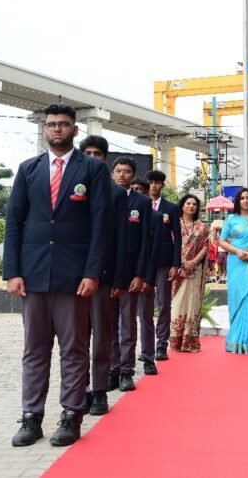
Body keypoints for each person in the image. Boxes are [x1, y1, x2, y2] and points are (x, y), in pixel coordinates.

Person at [4, 104, 113, 448]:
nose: (56, 129)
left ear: (74, 130)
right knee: (34, 350)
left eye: (63, 124)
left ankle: (71, 415)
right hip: (33, 275)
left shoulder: (92, 169)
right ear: (45, 129)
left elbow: (101, 225)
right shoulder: (28, 169)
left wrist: (93, 272)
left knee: (74, 349)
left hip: (74, 276)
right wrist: (12, 272)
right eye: (51, 124)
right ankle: (31, 417)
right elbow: (14, 221)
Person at [79, 136, 131, 416]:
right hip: (71, 276)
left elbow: (122, 239)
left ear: (105, 159)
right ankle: (80, 390)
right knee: (75, 339)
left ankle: (99, 390)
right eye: (87, 153)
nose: (92, 158)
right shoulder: (69, 186)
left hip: (104, 276)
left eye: (98, 154)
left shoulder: (116, 194)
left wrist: (120, 279)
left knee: (101, 336)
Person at [107, 155, 152, 397]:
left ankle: (126, 371)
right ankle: (112, 370)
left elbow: (145, 242)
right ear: (112, 173)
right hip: (107, 272)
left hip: (131, 273)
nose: (122, 175)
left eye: (126, 171)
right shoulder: (103, 197)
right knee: (108, 324)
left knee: (127, 324)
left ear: (133, 176)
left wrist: (140, 274)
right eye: (118, 171)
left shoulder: (141, 202)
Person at [138, 169, 181, 370]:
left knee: (164, 304)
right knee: (144, 308)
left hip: (164, 262)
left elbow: (177, 238)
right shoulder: (139, 206)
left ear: (162, 185)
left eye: (157, 182)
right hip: (143, 262)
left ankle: (161, 344)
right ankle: (146, 346)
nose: (154, 186)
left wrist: (175, 264)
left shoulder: (171, 208)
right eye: (151, 182)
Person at [218, 188, 248, 354]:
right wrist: (237, 251)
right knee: (238, 298)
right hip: (236, 264)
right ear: (238, 201)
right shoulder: (231, 219)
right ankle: (235, 341)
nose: (245, 201)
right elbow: (221, 241)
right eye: (242, 198)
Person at [169, 194, 209, 353]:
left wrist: (193, 262)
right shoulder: (174, 224)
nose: (191, 206)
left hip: (194, 270)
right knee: (177, 304)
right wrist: (180, 262)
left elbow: (206, 246)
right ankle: (176, 340)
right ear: (182, 206)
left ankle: (190, 341)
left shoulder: (202, 227)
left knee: (192, 304)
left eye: (194, 204)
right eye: (188, 203)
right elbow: (171, 243)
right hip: (177, 270)